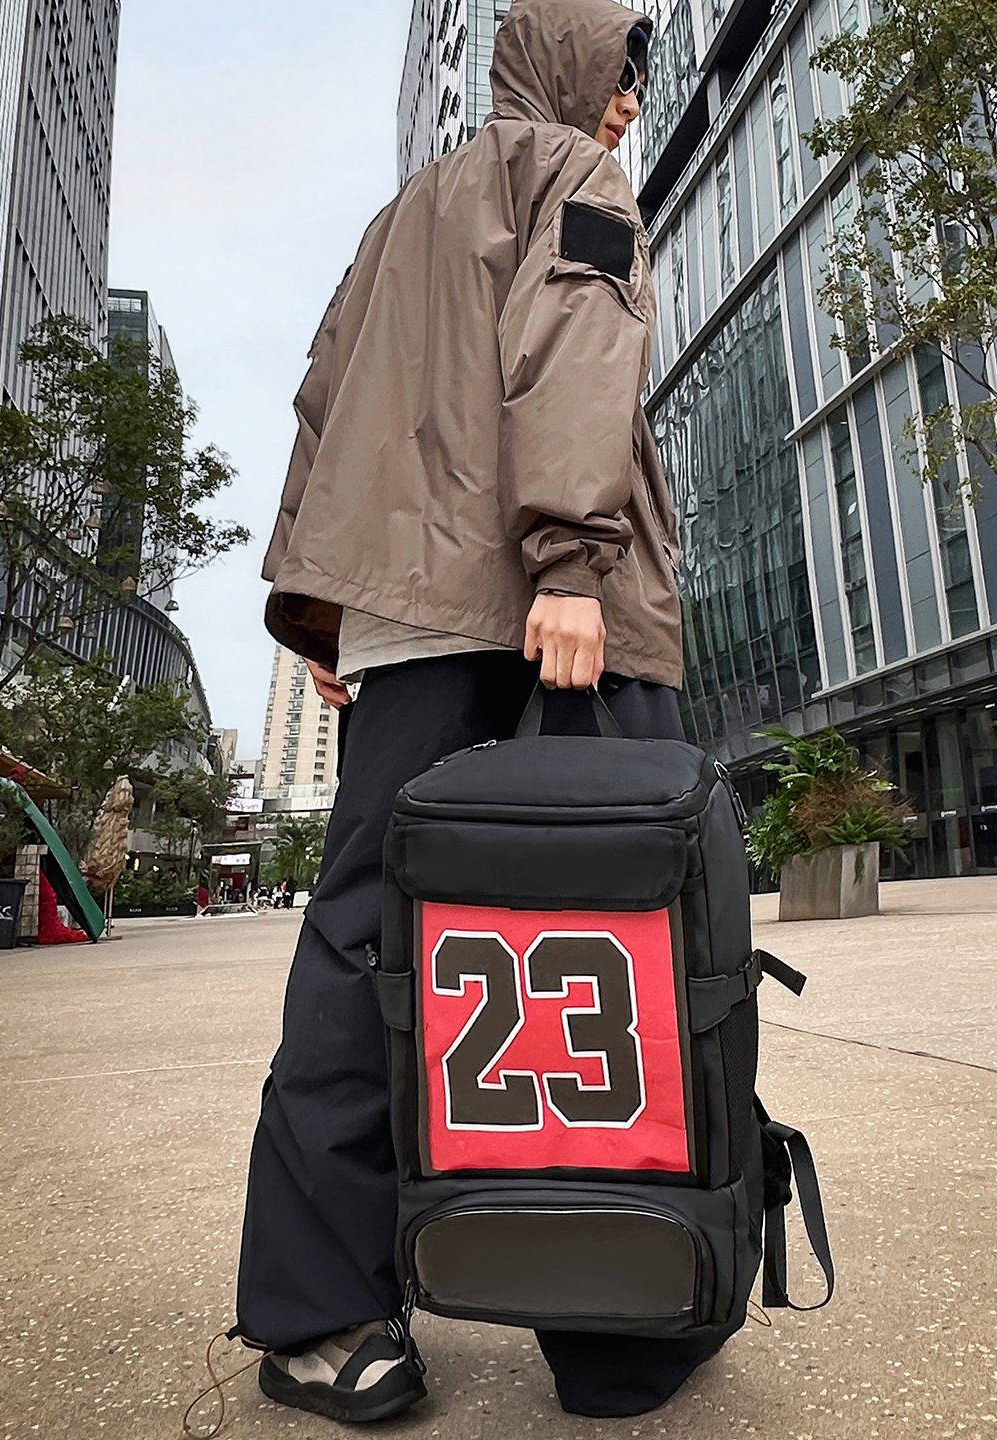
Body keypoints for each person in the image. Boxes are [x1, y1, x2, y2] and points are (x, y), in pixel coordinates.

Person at [234, 0, 726, 1425]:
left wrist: (319, 615)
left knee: (365, 939)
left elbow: (323, 405)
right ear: (566, 69)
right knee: (624, 929)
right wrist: (574, 560)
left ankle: (323, 1321)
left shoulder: (397, 219)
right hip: (545, 611)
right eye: (620, 76)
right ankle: (621, 1307)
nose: (630, 105)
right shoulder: (572, 178)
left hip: (405, 619)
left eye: (639, 87)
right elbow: (576, 346)